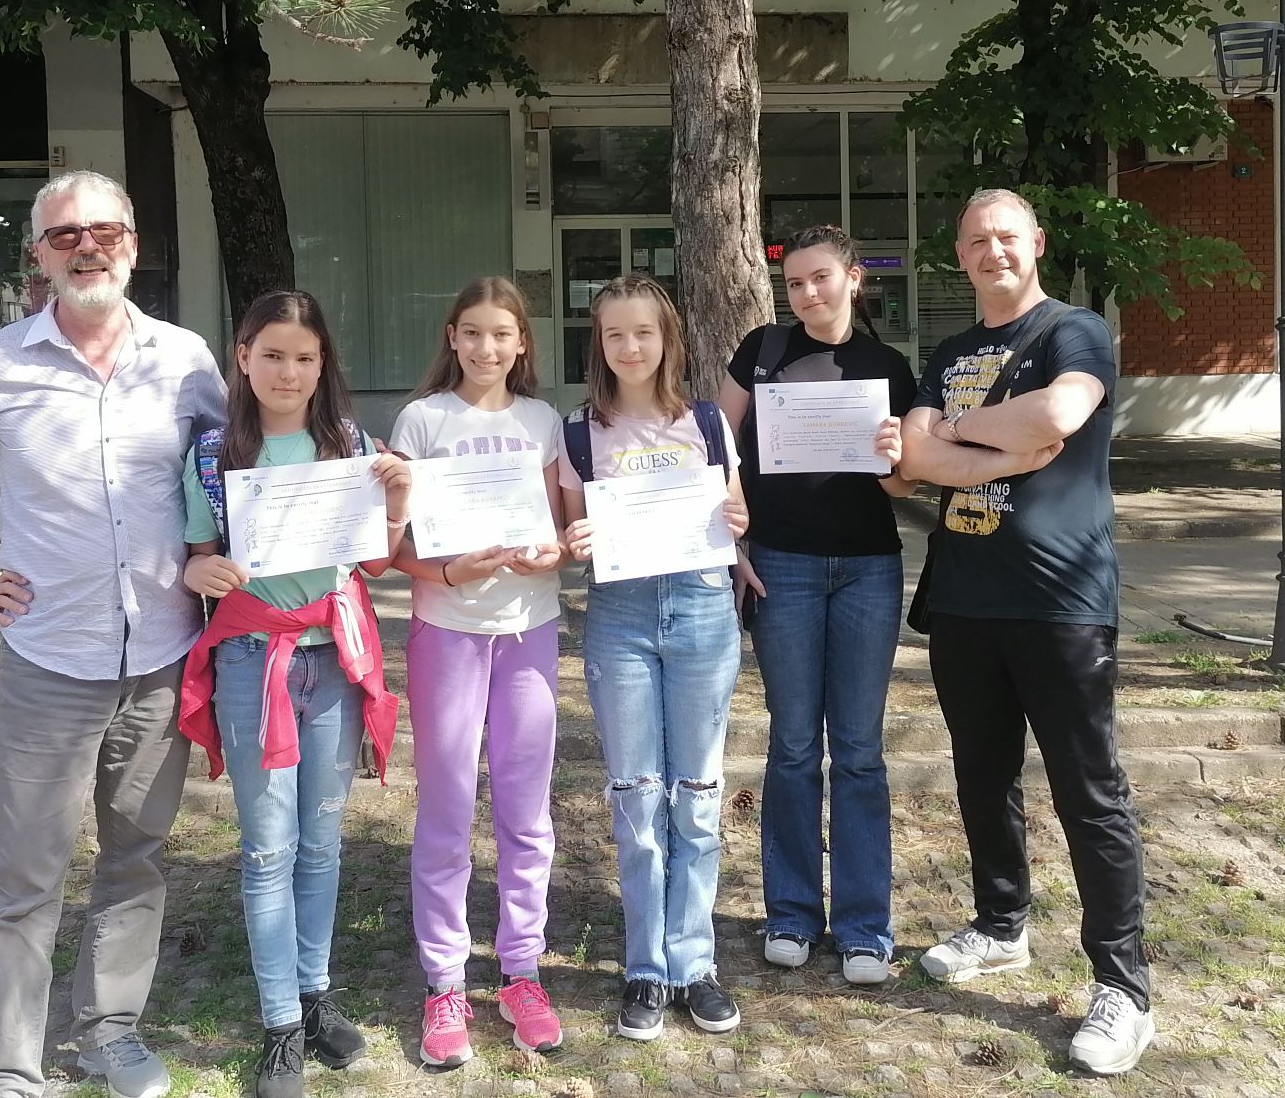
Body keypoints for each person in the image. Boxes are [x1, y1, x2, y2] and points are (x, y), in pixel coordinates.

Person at [0, 170, 224, 1098]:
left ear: (133, 245)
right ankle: (2, 1066)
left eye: (104, 231)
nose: (87, 248)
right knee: (27, 874)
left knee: (136, 859)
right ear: (39, 255)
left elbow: (231, 470)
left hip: (161, 654)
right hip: (51, 658)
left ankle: (110, 1033)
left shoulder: (185, 359)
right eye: (65, 235)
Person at [898, 187, 1154, 1077]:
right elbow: (911, 457)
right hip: (966, 601)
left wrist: (960, 433)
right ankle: (1001, 925)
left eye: (1006, 236)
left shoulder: (1073, 332)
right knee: (982, 780)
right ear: (960, 255)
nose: (992, 251)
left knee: (1090, 794)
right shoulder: (950, 352)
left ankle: (1123, 987)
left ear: (1036, 242)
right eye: (976, 240)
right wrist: (998, 449)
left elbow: (1057, 417)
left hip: (1062, 602)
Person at [173, 289, 410, 1098]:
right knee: (268, 848)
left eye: (304, 357)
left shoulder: (350, 445)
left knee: (321, 842)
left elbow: (376, 561)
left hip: (334, 662)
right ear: (242, 357)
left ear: (322, 364)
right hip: (252, 664)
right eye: (272, 354)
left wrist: (397, 498)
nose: (288, 371)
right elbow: (195, 557)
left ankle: (316, 997)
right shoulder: (214, 454)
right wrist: (198, 571)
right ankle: (279, 1026)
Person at [716, 225, 917, 986]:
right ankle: (792, 914)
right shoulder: (762, 351)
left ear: (853, 278)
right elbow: (714, 449)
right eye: (795, 282)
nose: (806, 294)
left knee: (859, 750)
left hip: (867, 569)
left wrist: (897, 456)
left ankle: (865, 928)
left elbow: (904, 485)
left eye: (820, 278)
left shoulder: (887, 367)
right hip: (782, 567)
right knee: (794, 746)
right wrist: (733, 545)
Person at [559, 275, 749, 1042]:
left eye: (644, 331)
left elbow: (735, 509)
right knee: (637, 796)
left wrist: (739, 516)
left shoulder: (706, 421)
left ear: (668, 337)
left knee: (697, 795)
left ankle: (694, 963)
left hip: (702, 608)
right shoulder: (579, 432)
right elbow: (570, 535)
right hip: (622, 615)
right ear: (598, 344)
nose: (630, 346)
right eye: (615, 334)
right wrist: (576, 540)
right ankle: (646, 966)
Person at [387, 278, 569, 1067]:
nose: (486, 348)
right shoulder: (422, 421)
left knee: (526, 814)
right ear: (451, 337)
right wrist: (448, 571)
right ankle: (445, 981)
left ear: (522, 342)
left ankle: (522, 971)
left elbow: (559, 530)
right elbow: (391, 548)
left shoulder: (543, 421)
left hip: (529, 631)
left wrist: (551, 554)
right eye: (472, 333)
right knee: (447, 809)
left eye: (501, 334)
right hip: (447, 632)